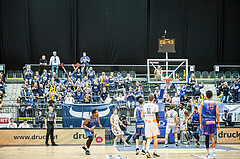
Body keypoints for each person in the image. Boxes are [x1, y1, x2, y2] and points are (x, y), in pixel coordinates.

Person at [200, 90, 220, 159]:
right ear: (212, 96)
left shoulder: (202, 102)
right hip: (213, 121)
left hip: (206, 121)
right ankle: (214, 152)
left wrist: (200, 123)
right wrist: (218, 123)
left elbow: (200, 114)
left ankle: (208, 154)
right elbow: (217, 114)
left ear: (206, 95)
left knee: (207, 137)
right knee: (212, 137)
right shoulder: (215, 103)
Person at [141, 94, 160, 158]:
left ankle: (147, 150)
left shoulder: (144, 105)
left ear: (148, 99)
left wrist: (145, 120)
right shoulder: (155, 105)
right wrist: (158, 123)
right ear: (154, 99)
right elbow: (157, 115)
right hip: (153, 122)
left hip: (147, 123)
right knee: (155, 137)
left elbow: (142, 115)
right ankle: (155, 152)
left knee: (149, 138)